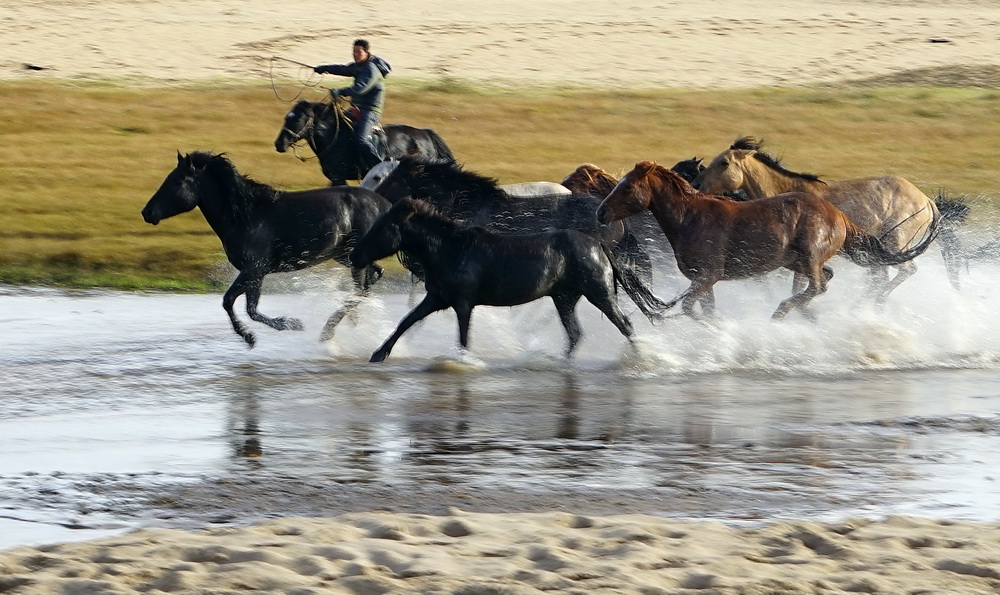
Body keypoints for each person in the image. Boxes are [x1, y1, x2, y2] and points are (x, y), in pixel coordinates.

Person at [313, 39, 391, 176]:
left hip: (370, 111)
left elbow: (360, 88)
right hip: (357, 108)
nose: (355, 54)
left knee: (361, 140)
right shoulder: (359, 66)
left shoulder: (370, 69)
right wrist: (325, 68)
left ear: (366, 52)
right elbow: (343, 69)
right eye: (353, 51)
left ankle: (381, 167)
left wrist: (340, 91)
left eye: (358, 52)